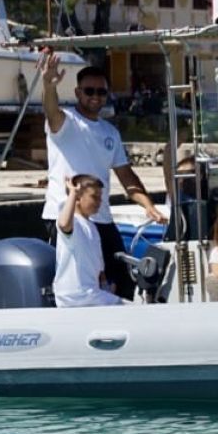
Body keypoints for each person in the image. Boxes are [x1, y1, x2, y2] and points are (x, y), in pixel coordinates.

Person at [39, 48, 166, 294]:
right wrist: (48, 85)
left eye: (101, 92)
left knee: (123, 283)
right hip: (67, 217)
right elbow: (51, 110)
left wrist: (148, 205)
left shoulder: (110, 132)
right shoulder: (65, 122)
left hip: (101, 218)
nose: (95, 96)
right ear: (78, 93)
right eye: (89, 91)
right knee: (78, 281)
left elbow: (126, 176)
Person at [55, 174, 127, 307]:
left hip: (92, 294)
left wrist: (106, 288)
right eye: (94, 197)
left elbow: (98, 267)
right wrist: (73, 193)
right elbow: (64, 224)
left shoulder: (93, 227)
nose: (99, 201)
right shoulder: (74, 223)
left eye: (100, 197)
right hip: (74, 295)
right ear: (78, 198)